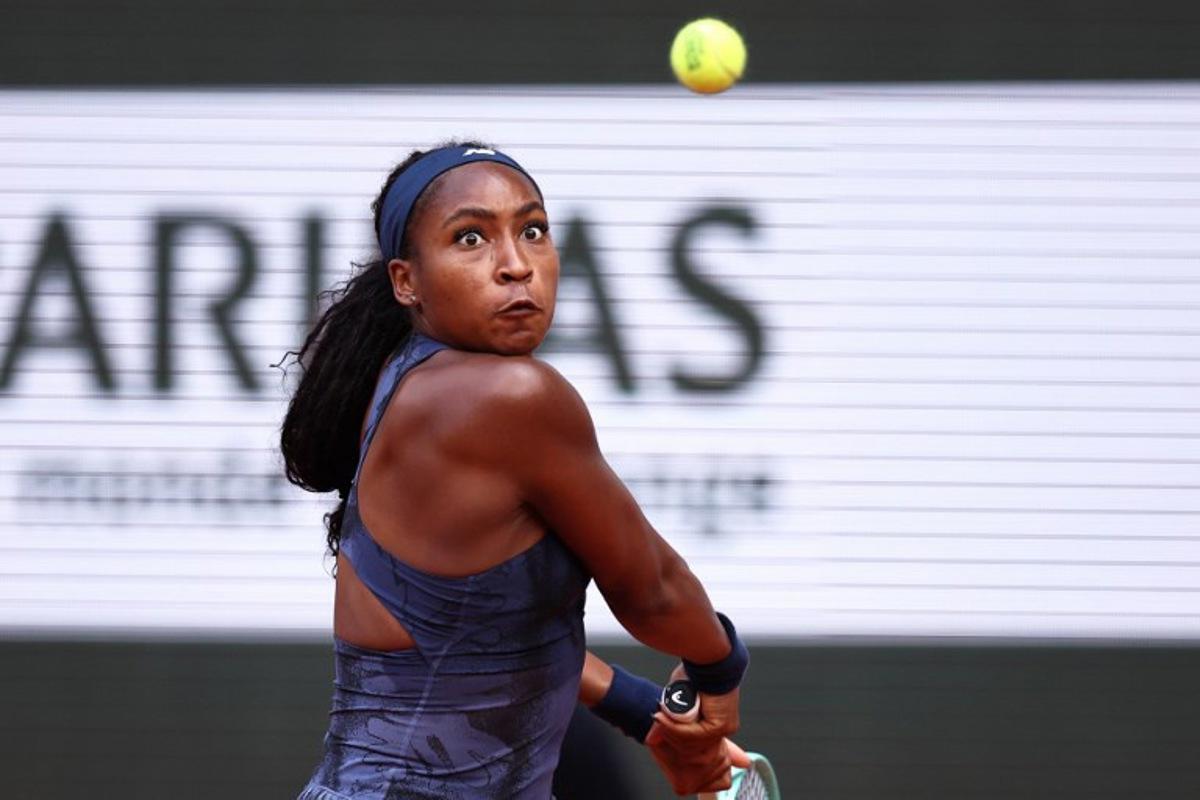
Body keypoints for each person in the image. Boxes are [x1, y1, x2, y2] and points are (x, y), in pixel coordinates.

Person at [281, 141, 750, 799]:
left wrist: (640, 709)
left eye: (533, 231)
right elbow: (654, 590)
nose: (516, 265)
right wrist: (720, 668)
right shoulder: (510, 397)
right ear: (405, 281)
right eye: (470, 238)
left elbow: (466, 643)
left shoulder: (400, 385)